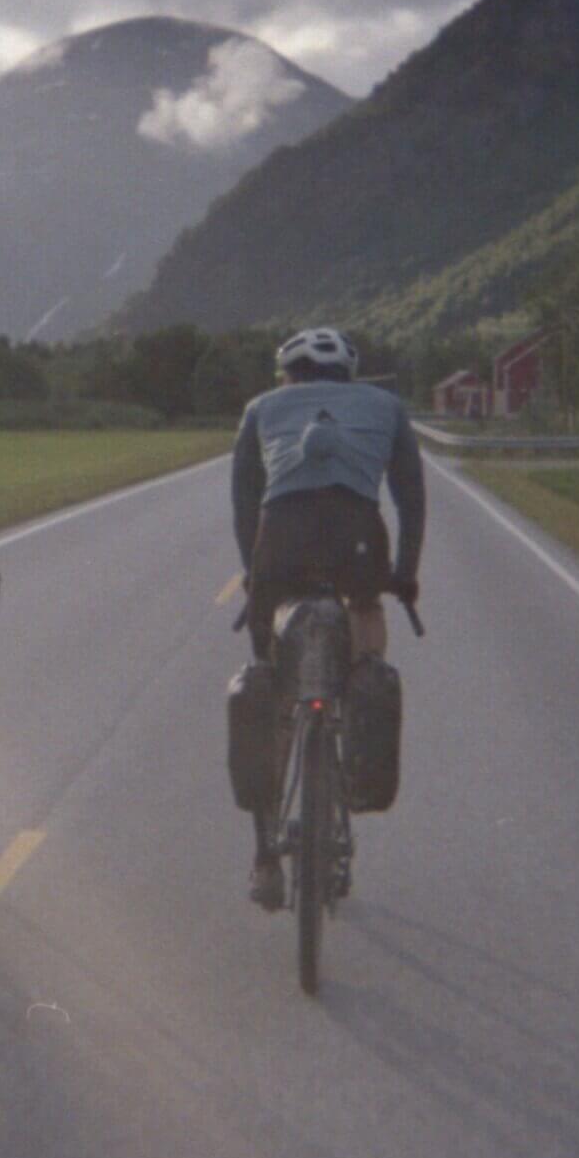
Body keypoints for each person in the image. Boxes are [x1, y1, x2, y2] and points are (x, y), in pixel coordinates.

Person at [229, 325, 424, 910]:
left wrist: (254, 576)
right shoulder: (386, 406)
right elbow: (411, 499)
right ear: (349, 375)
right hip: (357, 541)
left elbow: (244, 505)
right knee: (365, 613)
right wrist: (405, 574)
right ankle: (359, 701)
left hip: (280, 544)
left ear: (289, 375)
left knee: (270, 684)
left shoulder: (261, 409)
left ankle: (265, 856)